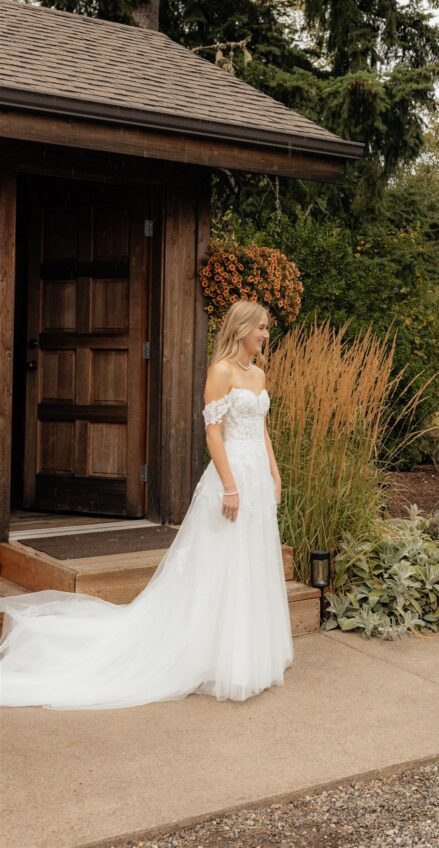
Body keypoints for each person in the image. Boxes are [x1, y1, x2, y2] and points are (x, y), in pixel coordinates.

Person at [0, 301, 293, 709]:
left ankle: (246, 653)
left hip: (258, 477)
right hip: (232, 479)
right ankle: (209, 656)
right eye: (260, 327)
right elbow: (213, 434)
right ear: (242, 329)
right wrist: (229, 486)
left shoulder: (259, 375)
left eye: (266, 328)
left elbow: (261, 431)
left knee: (251, 560)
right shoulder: (221, 371)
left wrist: (275, 475)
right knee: (221, 563)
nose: (265, 334)